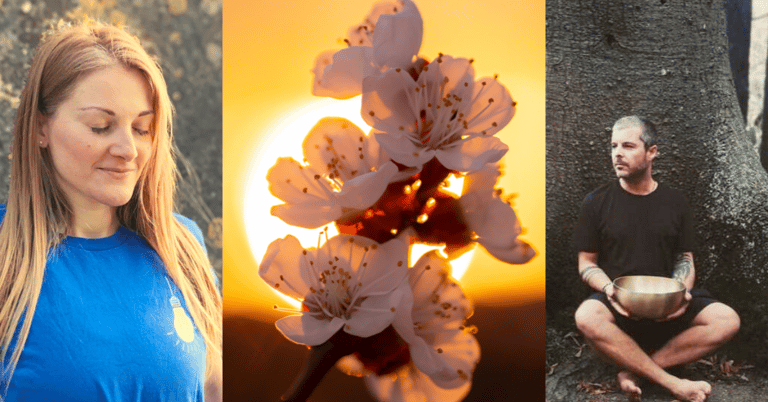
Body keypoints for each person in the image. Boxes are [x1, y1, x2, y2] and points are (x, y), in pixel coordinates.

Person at [0, 20, 222, 401]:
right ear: (40, 128)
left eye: (141, 128)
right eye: (101, 126)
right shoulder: (7, 253)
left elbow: (214, 388)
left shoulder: (183, 246)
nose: (128, 150)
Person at [572, 116, 740, 402]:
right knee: (586, 317)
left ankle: (635, 372)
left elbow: (684, 258)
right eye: (613, 146)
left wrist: (681, 293)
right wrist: (610, 290)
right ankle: (673, 383)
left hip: (667, 305)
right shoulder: (596, 202)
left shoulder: (675, 201)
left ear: (652, 152)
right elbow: (587, 263)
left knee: (727, 319)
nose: (617, 153)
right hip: (617, 306)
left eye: (627, 145)